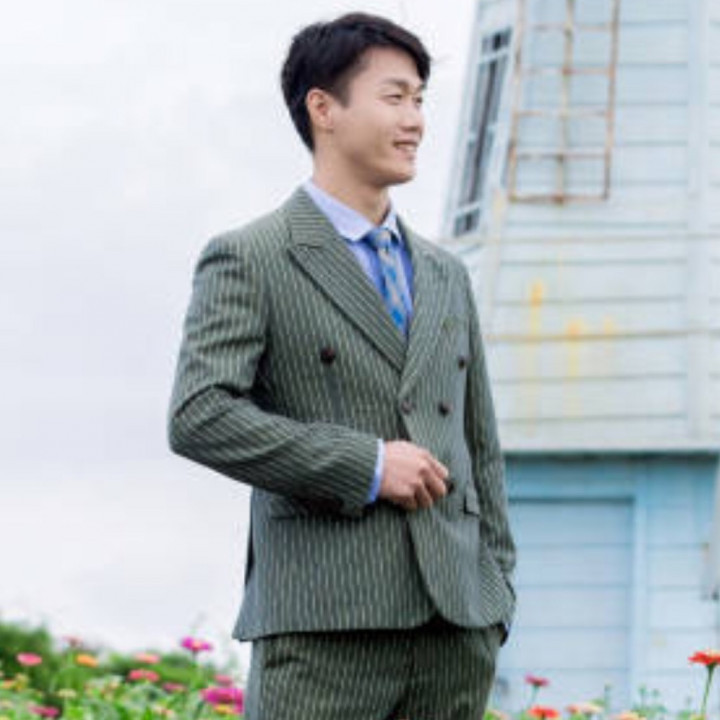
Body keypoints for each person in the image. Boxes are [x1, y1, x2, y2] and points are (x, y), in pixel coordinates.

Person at [168, 12, 516, 719]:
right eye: (395, 97)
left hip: (455, 631)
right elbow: (199, 415)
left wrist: (495, 595)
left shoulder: (446, 273)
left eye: (420, 99)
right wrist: (367, 465)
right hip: (325, 626)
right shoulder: (252, 257)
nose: (415, 120)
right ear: (323, 108)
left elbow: (480, 447)